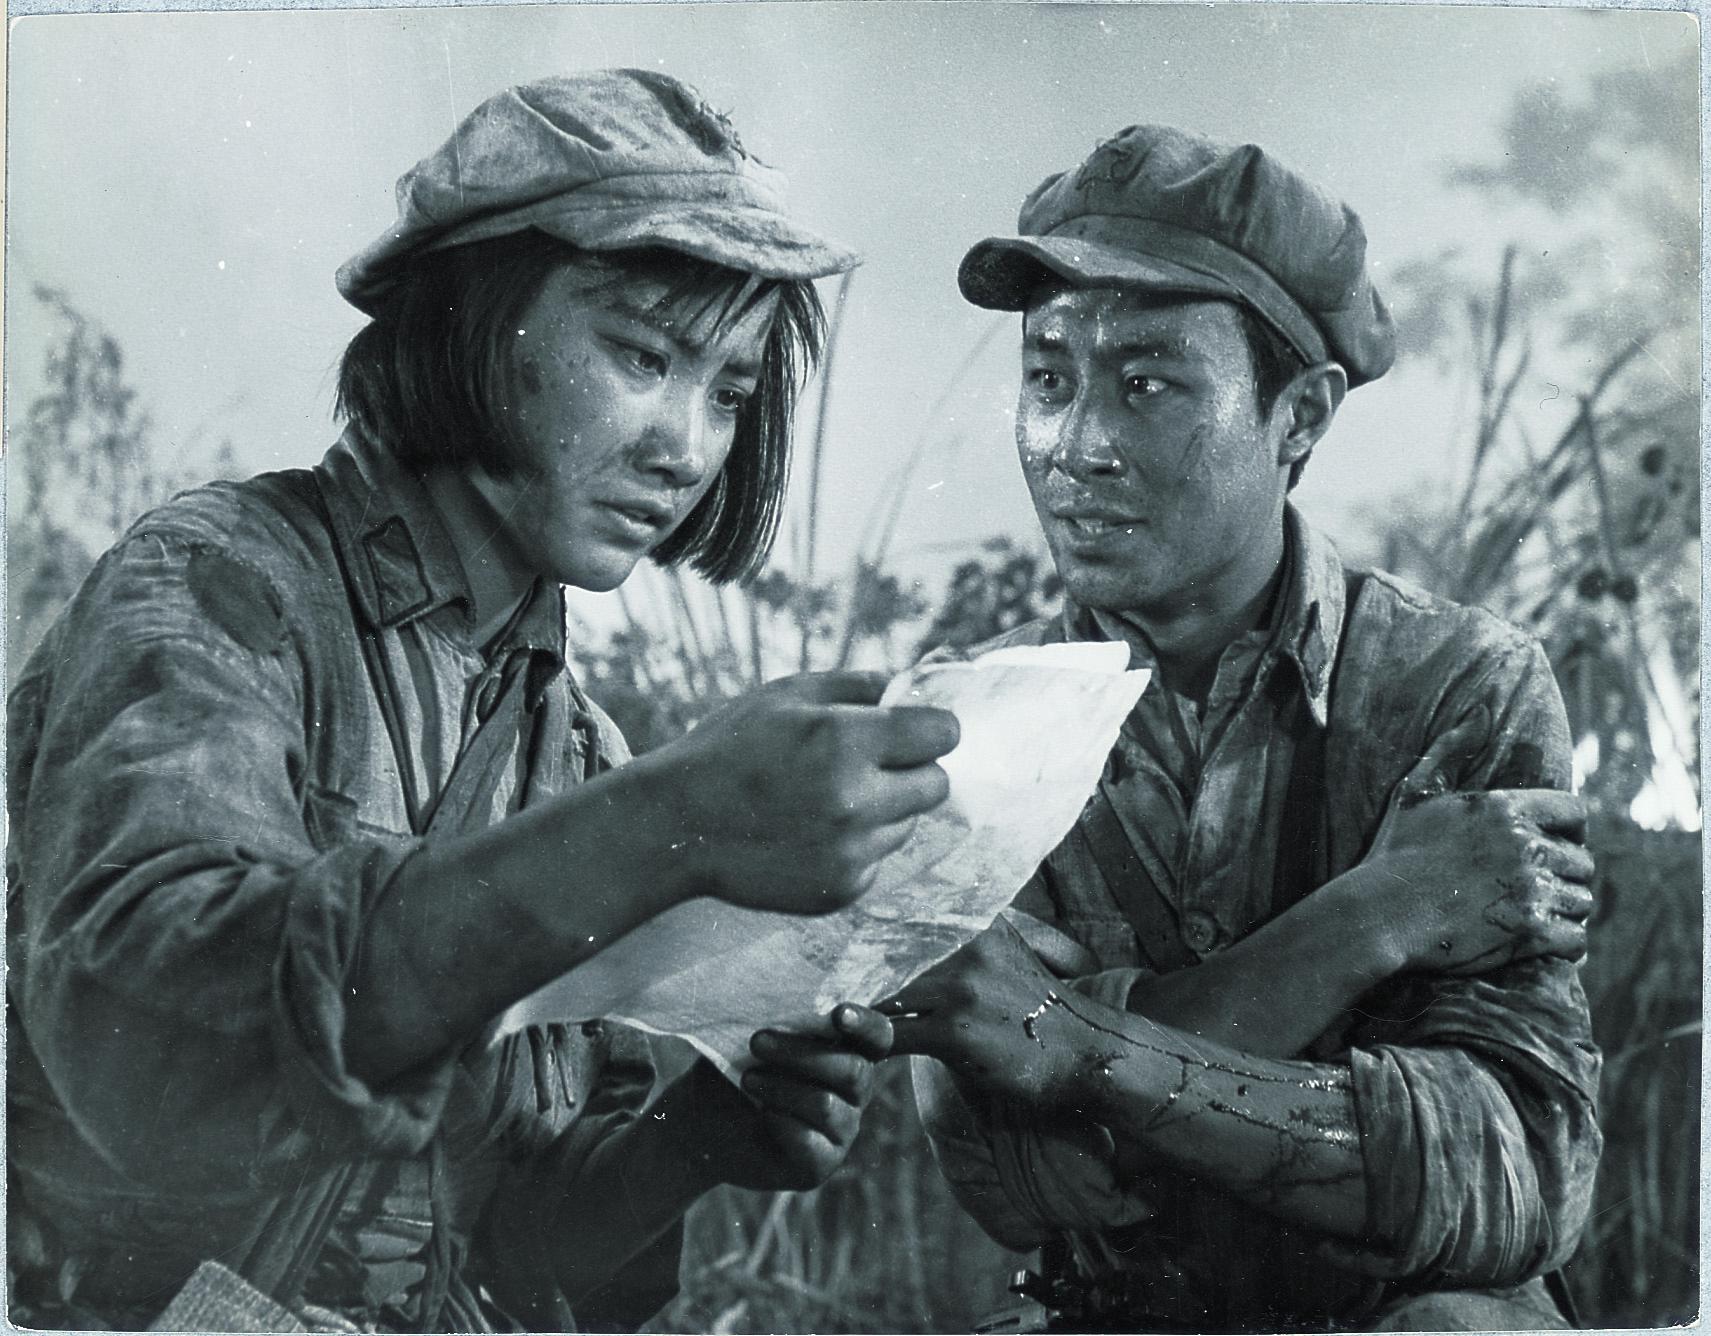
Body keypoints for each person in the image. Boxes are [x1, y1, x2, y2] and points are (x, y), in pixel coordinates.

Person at [6, 71, 959, 1332]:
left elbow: (507, 1246)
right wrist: (666, 822)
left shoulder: (575, 747)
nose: (686, 446)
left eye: (729, 391)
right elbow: (148, 1041)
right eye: (643, 354)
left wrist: (699, 1138)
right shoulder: (223, 583)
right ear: (473, 316)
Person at [885, 125, 1601, 1332]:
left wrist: (1074, 1043)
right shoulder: (966, 725)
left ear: (1300, 415)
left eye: (1147, 384)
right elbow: (1018, 1177)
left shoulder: (1457, 686)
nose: (1076, 446)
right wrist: (1371, 917)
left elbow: (1509, 1169)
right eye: (1048, 378)